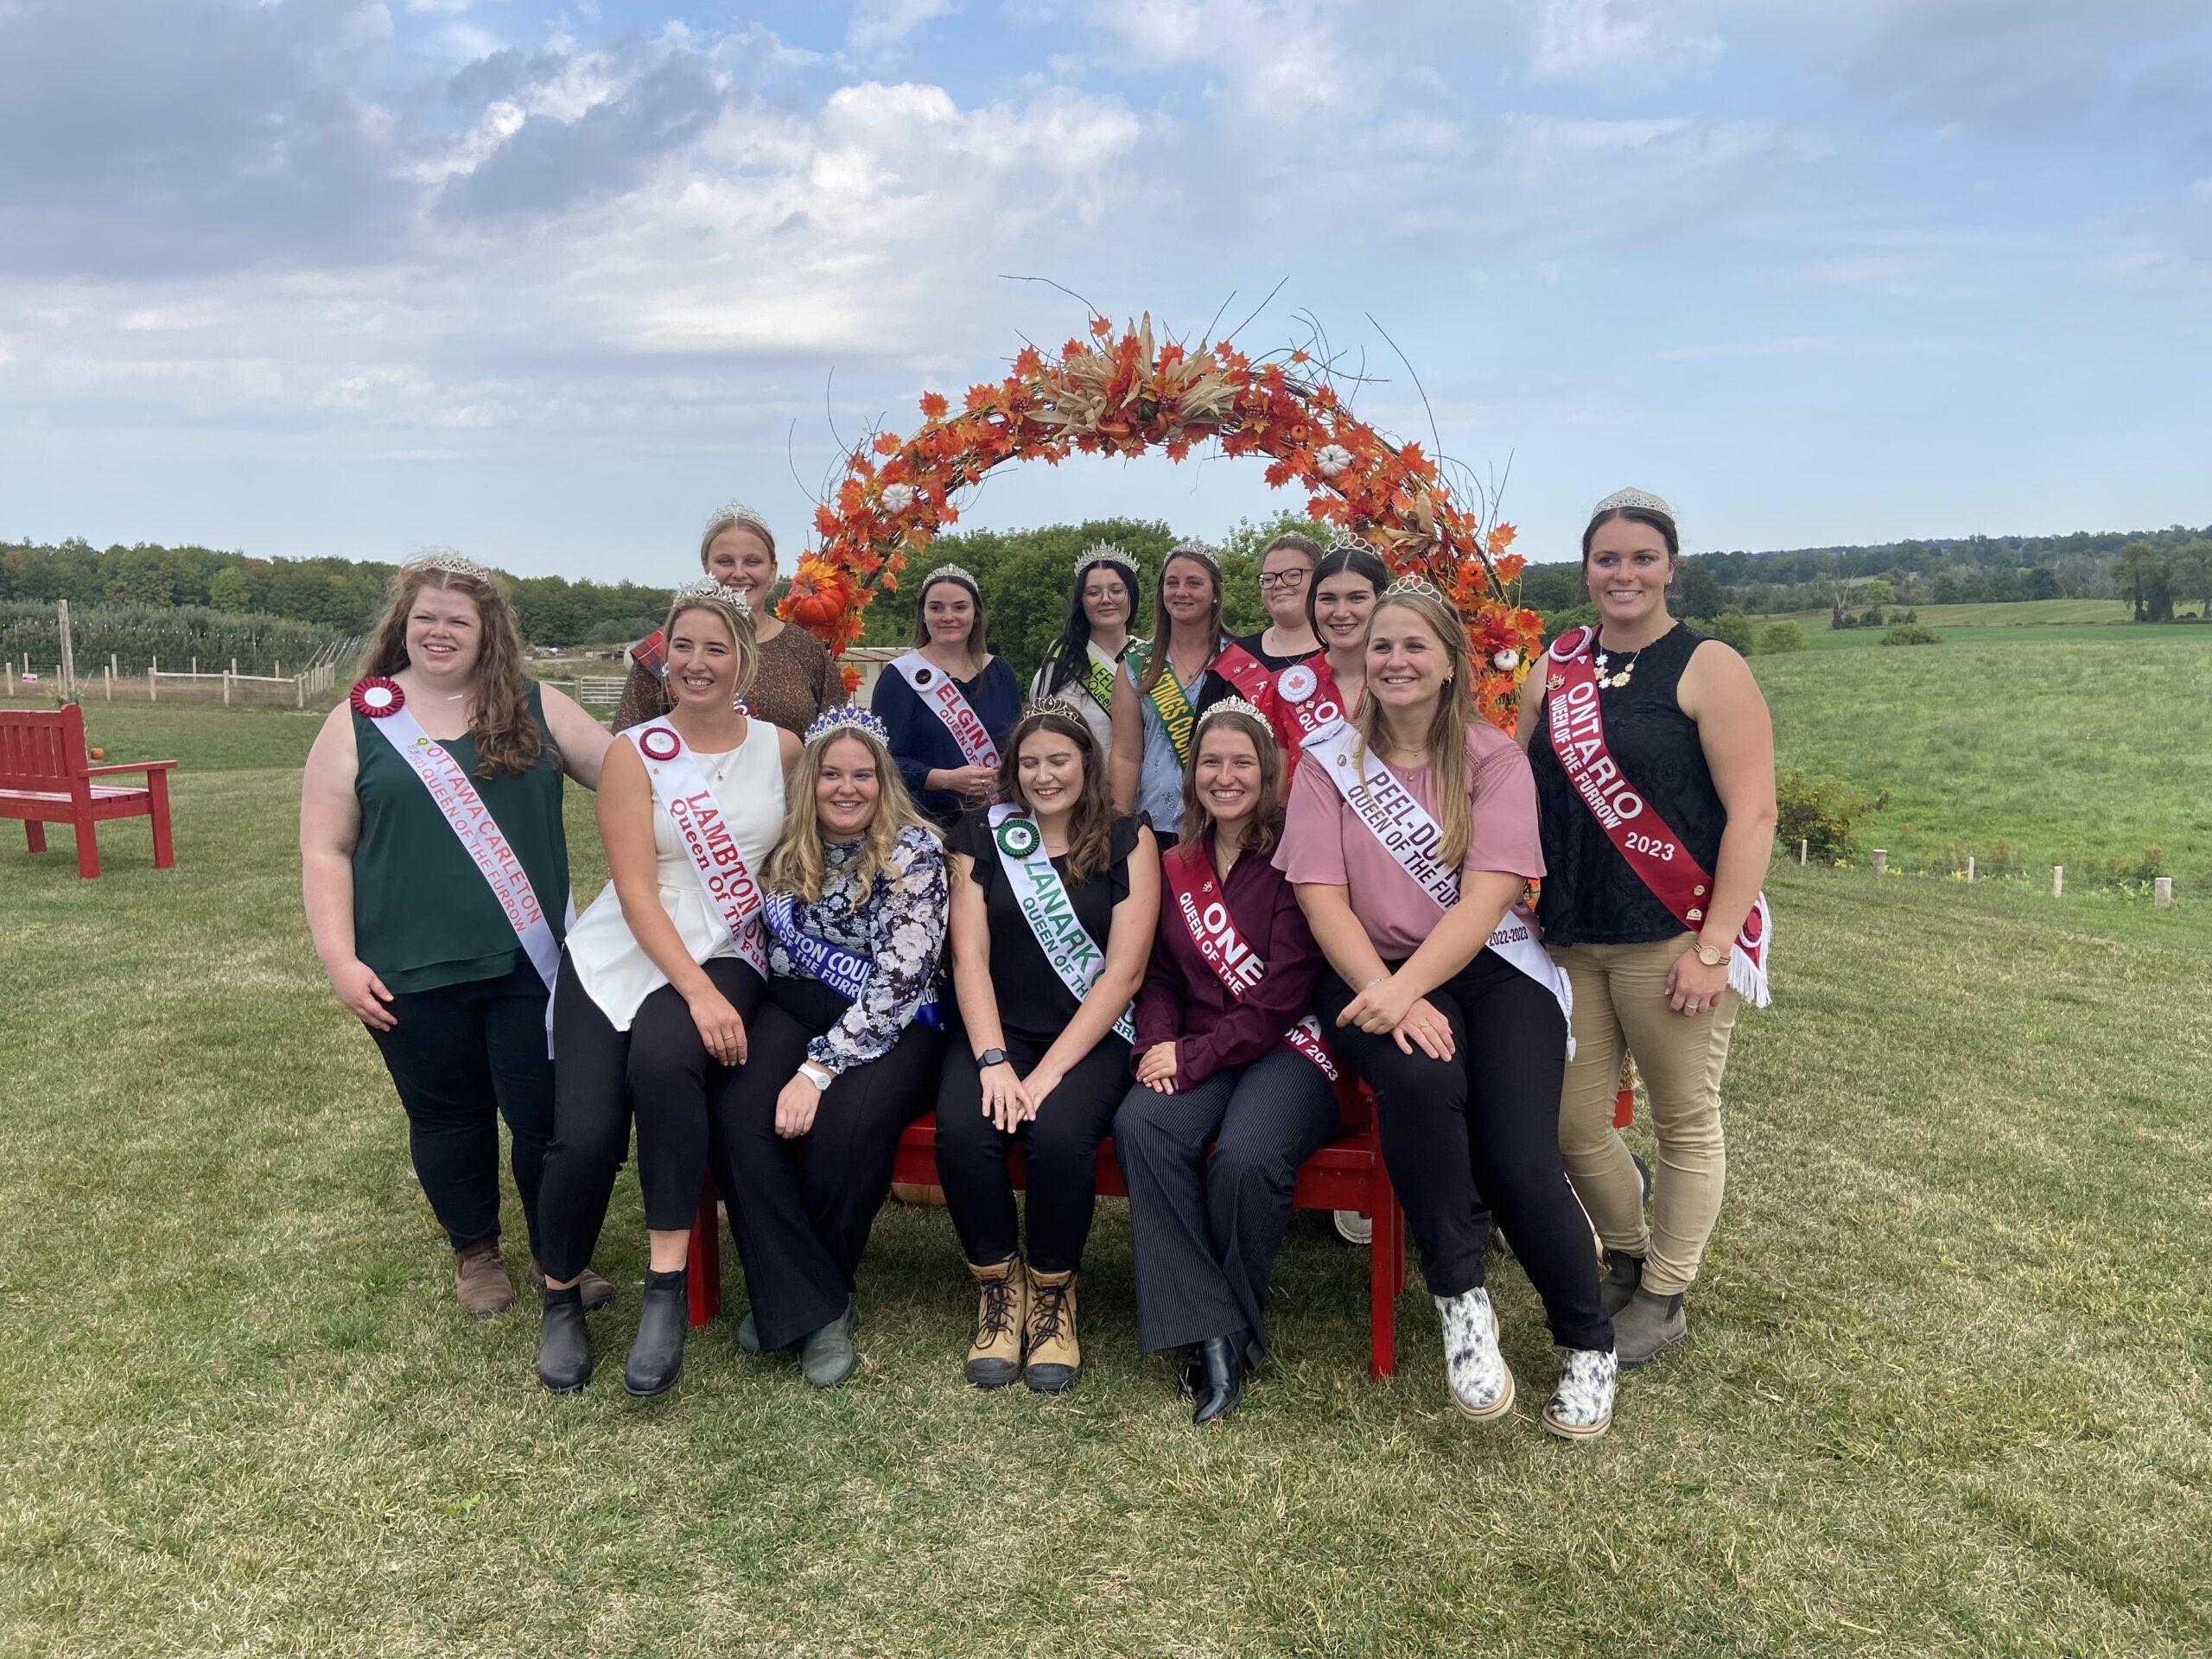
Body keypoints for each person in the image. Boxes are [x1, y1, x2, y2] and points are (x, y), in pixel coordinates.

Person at [1279, 575, 1617, 1440]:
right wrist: (1383, 992)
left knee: (1516, 1155)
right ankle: (1461, 1302)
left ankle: (1588, 1344)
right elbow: (1321, 900)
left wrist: (1406, 991)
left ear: (1448, 662)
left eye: (1412, 645)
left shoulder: (1493, 759)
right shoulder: (1326, 763)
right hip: (1365, 967)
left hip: (1487, 967)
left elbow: (1484, 901)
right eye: (1381, 645)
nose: (1394, 659)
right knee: (1423, 1089)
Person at [301, 551, 613, 1319]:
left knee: (545, 1116)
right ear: (404, 627)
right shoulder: (358, 719)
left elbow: (627, 776)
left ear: (488, 632)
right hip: (408, 964)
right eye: (426, 618)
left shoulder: (539, 705)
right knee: (446, 1115)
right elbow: (325, 848)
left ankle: (556, 1254)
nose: (439, 632)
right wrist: (340, 961)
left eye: (458, 620)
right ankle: (475, 1252)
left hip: (529, 963)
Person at [1515, 487, 1776, 1367]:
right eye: (1606, 558)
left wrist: (1714, 949)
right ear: (1585, 569)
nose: (1622, 573)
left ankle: (1663, 1294)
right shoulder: (1553, 667)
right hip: (1569, 935)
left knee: (1682, 1119)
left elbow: (1754, 816)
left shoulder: (1708, 666)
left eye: (1640, 558)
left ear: (1670, 567)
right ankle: (1626, 1257)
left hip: (1672, 933)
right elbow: (1519, 789)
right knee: (1569, 1122)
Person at [534, 579, 800, 1395]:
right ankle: (560, 1296)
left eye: (715, 647)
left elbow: (800, 861)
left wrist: (718, 990)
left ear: (743, 661)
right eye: (682, 646)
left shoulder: (784, 749)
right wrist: (700, 994)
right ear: (664, 657)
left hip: (730, 942)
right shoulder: (633, 750)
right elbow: (637, 889)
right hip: (625, 945)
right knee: (582, 1135)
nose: (696, 662)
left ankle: (662, 1287)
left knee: (663, 1062)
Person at [709, 706, 950, 1388]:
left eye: (863, 775)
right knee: (737, 1115)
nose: (848, 788)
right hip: (796, 1003)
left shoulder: (916, 853)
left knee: (848, 1127)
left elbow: (901, 980)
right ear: (810, 781)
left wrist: (816, 1071)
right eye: (833, 775)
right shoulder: (784, 847)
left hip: (897, 1022)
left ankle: (812, 1297)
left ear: (883, 782)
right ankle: (812, 1297)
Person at [1114, 699, 1339, 1424]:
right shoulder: (1176, 857)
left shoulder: (1297, 853)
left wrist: (1194, 1053)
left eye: (1241, 761)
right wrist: (1155, 1045)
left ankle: (1233, 1323)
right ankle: (1211, 1329)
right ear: (1192, 774)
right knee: (1144, 1124)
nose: (1225, 775)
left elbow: (1282, 993)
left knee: (1245, 1157)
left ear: (1268, 771)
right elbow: (1160, 977)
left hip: (1287, 1049)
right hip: (1199, 1047)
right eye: (1211, 761)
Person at [937, 702, 1159, 1392]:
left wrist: (1047, 1074)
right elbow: (967, 956)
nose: (1043, 774)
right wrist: (995, 1061)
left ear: (1085, 763)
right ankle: (999, 1293)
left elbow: (1124, 972)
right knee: (964, 1130)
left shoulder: (1128, 837)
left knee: (1059, 1138)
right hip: (997, 1032)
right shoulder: (979, 834)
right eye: (1029, 763)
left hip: (1089, 1039)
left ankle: (1055, 1296)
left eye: (1058, 760)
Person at [613, 502, 842, 737]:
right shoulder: (667, 650)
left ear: (773, 570)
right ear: (706, 567)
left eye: (753, 562)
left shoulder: (805, 648)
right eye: (725, 561)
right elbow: (627, 744)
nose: (739, 573)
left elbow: (839, 741)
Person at [872, 563, 1021, 827]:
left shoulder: (1000, 672)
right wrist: (945, 779)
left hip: (998, 821)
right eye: (936, 607)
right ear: (923, 615)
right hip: (927, 825)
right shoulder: (900, 677)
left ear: (975, 614)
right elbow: (882, 761)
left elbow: (1019, 745)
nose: (948, 616)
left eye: (960, 607)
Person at [1109, 542, 1242, 835]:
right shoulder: (1136, 664)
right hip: (1155, 823)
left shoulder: (1241, 660)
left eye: (1193, 583)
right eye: (1172, 583)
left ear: (1215, 594)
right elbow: (1125, 754)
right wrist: (1119, 823)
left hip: (1224, 823)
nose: (1181, 592)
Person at [1262, 536, 1389, 766]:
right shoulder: (1286, 688)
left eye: (1356, 598)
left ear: (1380, 601)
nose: (1340, 612)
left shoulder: (1405, 678)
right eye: (1328, 599)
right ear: (1313, 604)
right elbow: (1275, 792)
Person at [1029, 540, 1140, 759]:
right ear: (1082, 601)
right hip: (1090, 785)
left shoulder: (1148, 654)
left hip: (1148, 788)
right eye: (1093, 593)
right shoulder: (1064, 662)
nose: (1106, 599)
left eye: (1116, 590)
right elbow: (1053, 742)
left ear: (1131, 596)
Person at [1233, 531, 1322, 670]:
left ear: (1320, 579)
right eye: (1268, 578)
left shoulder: (1345, 650)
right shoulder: (1236, 657)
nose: (1278, 584)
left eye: (1293, 575)